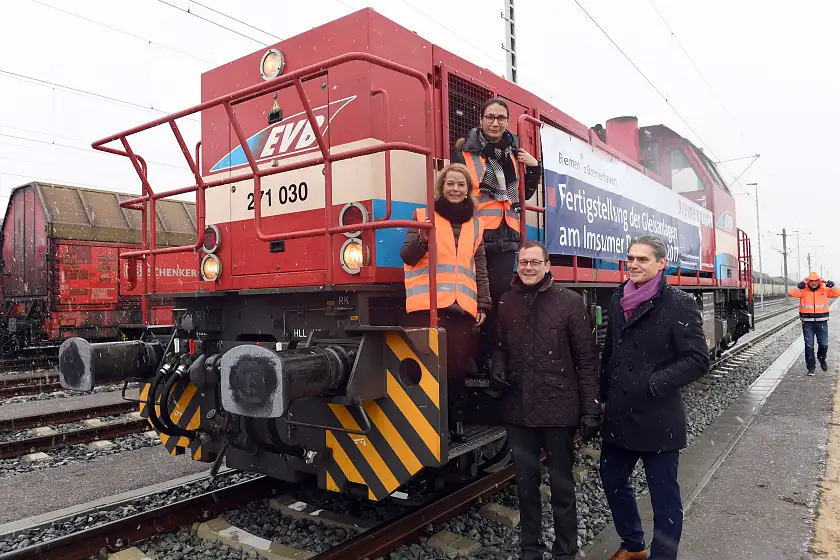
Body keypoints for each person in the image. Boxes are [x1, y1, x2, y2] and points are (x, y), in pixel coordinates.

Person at [599, 236, 710, 560]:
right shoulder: (620, 297)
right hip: (620, 413)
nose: (633, 264)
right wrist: (602, 396)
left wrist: (653, 384)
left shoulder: (679, 303)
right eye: (630, 258)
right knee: (611, 478)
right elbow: (611, 353)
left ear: (662, 263)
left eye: (642, 259)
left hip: (658, 415)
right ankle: (633, 544)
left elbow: (697, 359)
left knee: (664, 495)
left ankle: (663, 555)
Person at [489, 240, 600, 560]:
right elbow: (499, 345)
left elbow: (586, 359)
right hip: (519, 410)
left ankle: (566, 550)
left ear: (547, 266)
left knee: (563, 489)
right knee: (526, 489)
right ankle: (530, 550)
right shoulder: (506, 302)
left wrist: (591, 408)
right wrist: (497, 365)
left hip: (559, 410)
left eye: (535, 263)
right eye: (523, 262)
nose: (528, 268)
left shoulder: (570, 302)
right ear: (517, 265)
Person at [451, 97, 542, 375]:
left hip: (506, 235)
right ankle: (470, 358)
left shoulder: (515, 154)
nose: (495, 122)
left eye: (501, 118)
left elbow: (523, 195)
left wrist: (534, 166)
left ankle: (490, 359)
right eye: (490, 117)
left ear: (507, 122)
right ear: (481, 119)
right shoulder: (464, 153)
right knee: (471, 298)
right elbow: (456, 192)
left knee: (498, 300)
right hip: (477, 234)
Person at [401, 163, 490, 440]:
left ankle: (456, 422)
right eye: (450, 184)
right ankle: (427, 423)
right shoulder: (422, 216)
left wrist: (483, 303)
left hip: (461, 308)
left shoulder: (477, 224)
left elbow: (480, 265)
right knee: (426, 368)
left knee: (457, 370)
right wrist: (423, 241)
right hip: (426, 308)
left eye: (461, 185)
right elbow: (407, 255)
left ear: (468, 190)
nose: (455, 189)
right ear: (441, 187)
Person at [789, 271, 840, 375]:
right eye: (811, 281)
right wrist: (800, 285)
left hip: (822, 322)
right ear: (808, 281)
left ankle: (821, 358)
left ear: (819, 281)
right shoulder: (803, 291)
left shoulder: (824, 290)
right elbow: (792, 293)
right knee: (809, 346)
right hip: (807, 323)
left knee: (824, 345)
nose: (813, 283)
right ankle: (811, 368)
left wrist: (831, 284)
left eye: (815, 281)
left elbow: (837, 293)